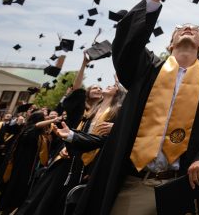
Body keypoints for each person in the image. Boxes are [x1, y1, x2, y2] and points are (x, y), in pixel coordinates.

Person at [74, 0, 199, 215]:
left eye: (194, 28)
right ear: (170, 43)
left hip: (181, 186)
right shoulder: (148, 68)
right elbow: (127, 46)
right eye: (181, 27)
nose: (188, 27)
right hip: (136, 183)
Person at [18, 81, 126, 215]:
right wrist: (68, 142)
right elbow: (80, 132)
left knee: (63, 200)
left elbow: (104, 142)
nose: (108, 85)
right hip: (70, 156)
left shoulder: (117, 112)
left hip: (85, 164)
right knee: (45, 194)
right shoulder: (93, 110)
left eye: (115, 85)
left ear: (119, 93)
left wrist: (71, 137)